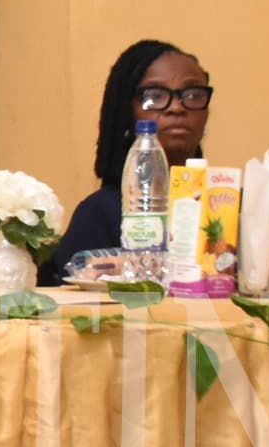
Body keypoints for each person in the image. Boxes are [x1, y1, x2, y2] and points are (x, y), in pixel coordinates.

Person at [51, 39, 212, 274]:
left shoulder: (227, 205)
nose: (177, 107)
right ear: (127, 111)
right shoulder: (100, 212)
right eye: (155, 96)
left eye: (193, 94)